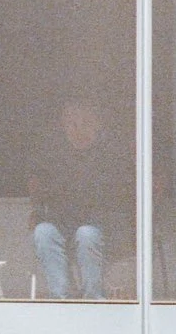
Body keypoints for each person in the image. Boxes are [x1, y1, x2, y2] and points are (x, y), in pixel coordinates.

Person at [28, 101, 130, 300]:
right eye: (72, 124)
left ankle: (93, 298)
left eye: (85, 124)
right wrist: (37, 211)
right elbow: (38, 186)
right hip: (63, 225)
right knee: (43, 232)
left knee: (86, 234)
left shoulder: (110, 155)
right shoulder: (55, 156)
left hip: (103, 229)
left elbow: (120, 198)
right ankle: (62, 297)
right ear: (64, 127)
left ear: (97, 126)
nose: (78, 130)